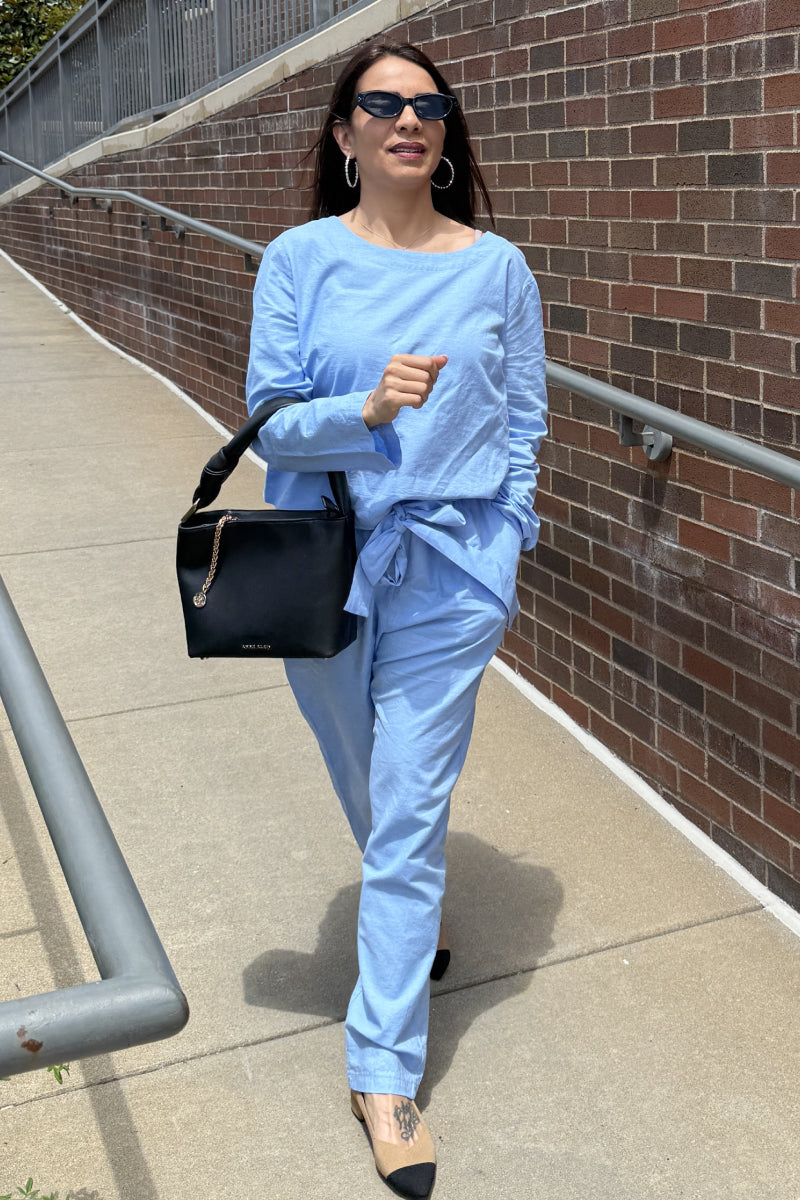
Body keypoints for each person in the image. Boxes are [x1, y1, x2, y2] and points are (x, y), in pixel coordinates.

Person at [245, 38, 548, 1198]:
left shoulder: (496, 269)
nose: (406, 120)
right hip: (326, 560)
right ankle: (407, 934)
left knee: (411, 812)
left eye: (427, 105)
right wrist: (360, 409)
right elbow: (270, 422)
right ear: (343, 134)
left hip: (451, 566)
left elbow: (523, 415)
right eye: (381, 103)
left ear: (445, 136)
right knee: (370, 789)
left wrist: (508, 527)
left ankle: (382, 1073)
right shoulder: (297, 259)